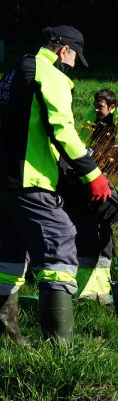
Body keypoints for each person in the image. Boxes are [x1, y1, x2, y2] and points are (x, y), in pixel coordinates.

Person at [0, 25, 111, 344]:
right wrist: (93, 175)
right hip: (30, 182)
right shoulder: (49, 74)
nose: (72, 68)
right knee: (60, 245)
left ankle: (9, 340)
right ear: (64, 50)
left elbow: (27, 129)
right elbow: (61, 129)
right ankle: (58, 348)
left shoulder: (12, 73)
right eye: (73, 60)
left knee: (7, 255)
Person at [62, 88, 118, 304]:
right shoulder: (91, 116)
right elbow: (83, 143)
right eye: (95, 106)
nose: (96, 110)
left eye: (100, 108)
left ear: (112, 108)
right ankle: (95, 288)